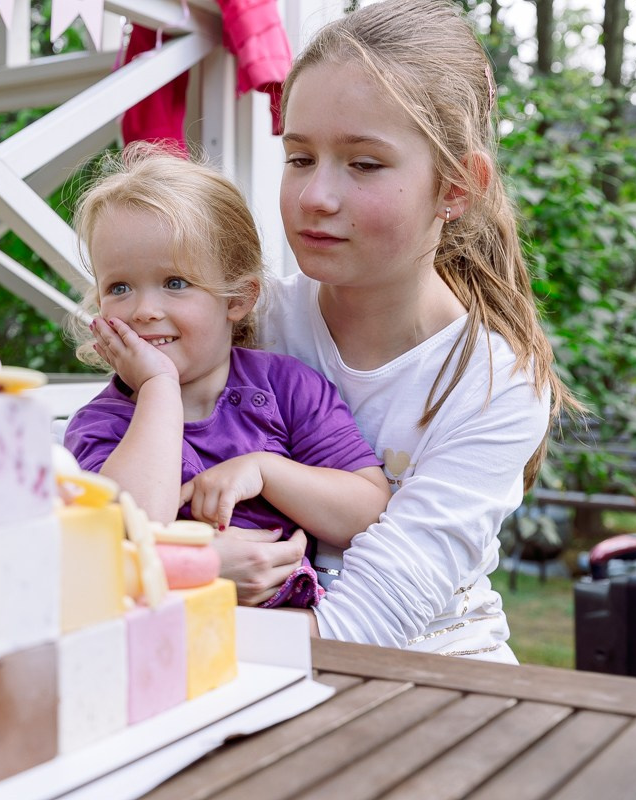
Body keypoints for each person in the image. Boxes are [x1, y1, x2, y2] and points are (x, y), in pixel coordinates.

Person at [239, 0, 580, 660]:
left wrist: (181, 606)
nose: (315, 197)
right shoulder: (251, 324)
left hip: (441, 680)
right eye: (300, 157)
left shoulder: (494, 386)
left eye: (363, 164)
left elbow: (367, 624)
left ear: (456, 187)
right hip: (264, 667)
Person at [62, 142, 391, 607]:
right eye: (119, 288)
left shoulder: (287, 388)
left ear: (236, 298)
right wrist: (158, 389)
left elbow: (368, 512)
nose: (143, 310)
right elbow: (127, 535)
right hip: (171, 641)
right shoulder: (103, 425)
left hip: (298, 642)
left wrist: (264, 469)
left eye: (175, 283)